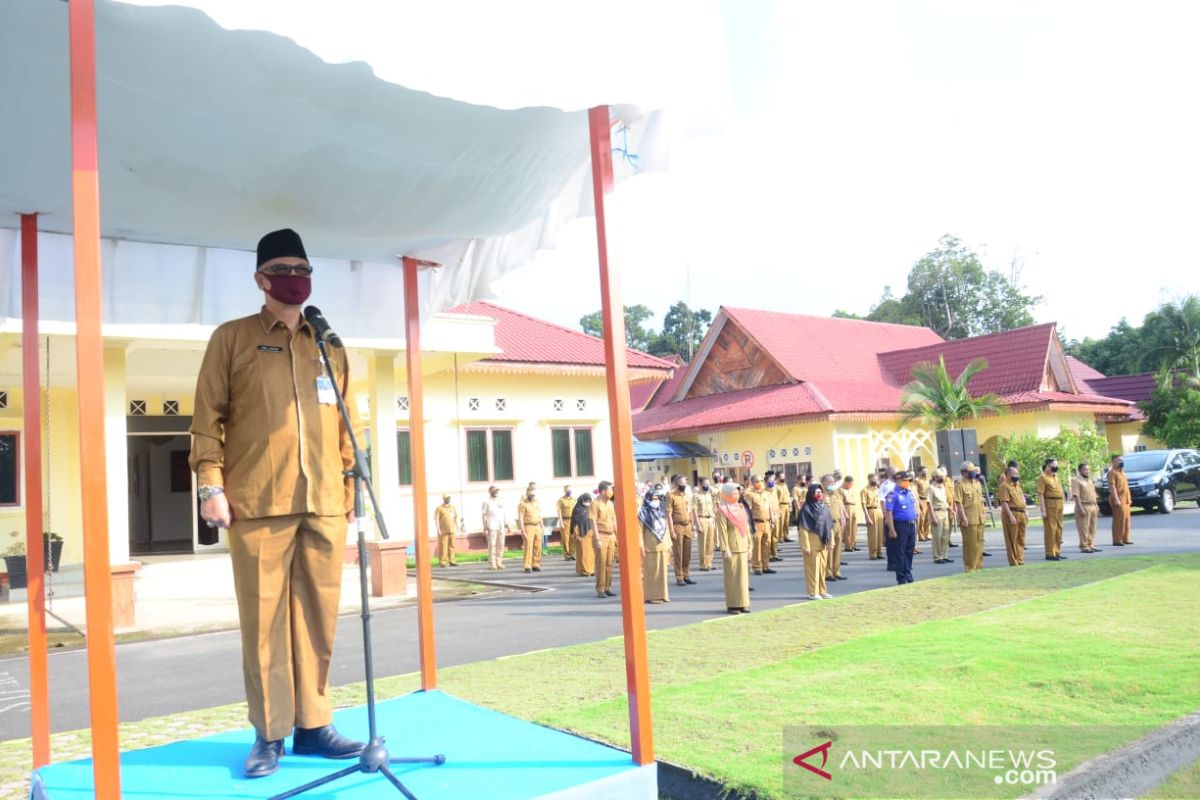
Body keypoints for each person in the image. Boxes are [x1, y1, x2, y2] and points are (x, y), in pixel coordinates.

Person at [191, 228, 363, 778]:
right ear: (262, 278)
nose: (296, 278)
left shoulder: (329, 344)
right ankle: (270, 733)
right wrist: (210, 485)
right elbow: (205, 420)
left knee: (318, 620)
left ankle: (314, 726)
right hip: (257, 502)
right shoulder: (233, 339)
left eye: (303, 268)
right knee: (264, 621)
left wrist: (350, 488)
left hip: (324, 503)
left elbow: (345, 424)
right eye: (285, 268)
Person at [714, 482, 752, 613]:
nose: (737, 495)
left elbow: (746, 528)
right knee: (732, 577)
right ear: (727, 494)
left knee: (743, 578)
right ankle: (732, 605)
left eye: (738, 492)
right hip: (731, 547)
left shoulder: (741, 507)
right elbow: (722, 532)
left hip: (742, 546)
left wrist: (750, 546)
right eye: (734, 492)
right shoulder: (723, 511)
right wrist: (725, 549)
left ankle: (743, 603)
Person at [798, 481, 834, 600]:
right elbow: (803, 529)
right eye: (816, 492)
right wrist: (805, 545)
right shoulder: (806, 509)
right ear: (811, 493)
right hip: (812, 544)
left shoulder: (824, 507)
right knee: (812, 569)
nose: (819, 494)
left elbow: (829, 525)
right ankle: (813, 592)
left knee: (822, 569)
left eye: (820, 492)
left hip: (823, 542)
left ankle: (822, 590)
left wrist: (831, 541)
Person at [883, 470, 918, 584]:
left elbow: (912, 507)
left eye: (908, 481)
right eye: (906, 480)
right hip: (900, 526)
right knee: (900, 552)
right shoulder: (892, 494)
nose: (908, 483)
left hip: (911, 524)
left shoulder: (908, 492)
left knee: (909, 551)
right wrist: (892, 529)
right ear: (898, 480)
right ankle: (901, 577)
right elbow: (888, 513)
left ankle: (908, 573)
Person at [639, 486, 671, 604]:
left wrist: (669, 545)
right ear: (648, 499)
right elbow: (639, 531)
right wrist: (641, 546)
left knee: (662, 573)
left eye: (657, 498)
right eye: (653, 498)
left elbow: (665, 529)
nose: (655, 500)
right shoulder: (642, 514)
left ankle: (663, 595)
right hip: (649, 547)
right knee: (651, 573)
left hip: (662, 545)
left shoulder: (661, 512)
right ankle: (651, 596)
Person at [954, 462, 987, 572]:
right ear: (964, 472)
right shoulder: (960, 484)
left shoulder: (977, 483)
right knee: (970, 545)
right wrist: (963, 518)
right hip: (969, 519)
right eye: (970, 471)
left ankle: (978, 566)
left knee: (979, 543)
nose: (973, 472)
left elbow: (981, 500)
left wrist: (984, 513)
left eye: (973, 470)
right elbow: (959, 503)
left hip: (980, 517)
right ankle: (970, 567)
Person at [1036, 458, 1067, 561]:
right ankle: (1050, 553)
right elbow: (1040, 494)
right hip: (1050, 504)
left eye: (1056, 465)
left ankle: (1057, 552)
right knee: (1051, 529)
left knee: (1059, 529)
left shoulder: (1055, 477)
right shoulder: (1043, 477)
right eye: (1054, 465)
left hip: (1059, 504)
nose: (1055, 467)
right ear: (1048, 466)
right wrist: (1043, 510)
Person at [667, 475, 696, 586]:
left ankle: (686, 575)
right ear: (676, 484)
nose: (683, 485)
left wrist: (693, 525)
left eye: (685, 483)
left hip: (687, 526)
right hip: (677, 526)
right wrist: (671, 530)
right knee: (678, 553)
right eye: (681, 483)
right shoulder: (671, 496)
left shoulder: (687, 496)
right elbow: (668, 513)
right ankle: (679, 576)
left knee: (687, 553)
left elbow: (690, 511)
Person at [591, 481, 618, 598]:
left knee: (609, 563)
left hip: (611, 535)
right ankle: (600, 588)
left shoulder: (610, 504)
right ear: (603, 491)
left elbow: (614, 520)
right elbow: (592, 521)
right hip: (601, 536)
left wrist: (617, 535)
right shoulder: (595, 503)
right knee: (601, 563)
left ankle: (607, 587)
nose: (612, 491)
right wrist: (597, 539)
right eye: (610, 489)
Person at [744, 475, 775, 576]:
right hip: (756, 522)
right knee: (756, 545)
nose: (760, 483)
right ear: (752, 483)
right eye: (757, 481)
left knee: (766, 545)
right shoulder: (750, 494)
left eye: (761, 481)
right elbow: (748, 510)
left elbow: (770, 507)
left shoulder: (766, 493)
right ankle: (757, 566)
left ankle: (766, 566)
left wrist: (772, 520)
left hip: (766, 522)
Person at [996, 465, 1026, 566]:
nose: (1017, 476)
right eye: (1015, 474)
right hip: (1012, 513)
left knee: (1021, 538)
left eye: (1017, 474)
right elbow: (1004, 503)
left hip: (1021, 513)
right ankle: (1014, 561)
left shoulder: (1017, 485)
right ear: (1008, 475)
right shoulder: (1004, 486)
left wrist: (1025, 512)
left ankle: (1020, 559)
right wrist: (1011, 517)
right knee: (1012, 539)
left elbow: (1021, 500)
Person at [1071, 464, 1102, 553]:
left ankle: (1090, 544)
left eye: (1088, 469)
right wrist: (1080, 508)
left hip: (1092, 505)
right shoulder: (1076, 481)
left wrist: (1096, 505)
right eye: (1085, 470)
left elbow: (1094, 494)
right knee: (1083, 527)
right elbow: (1076, 495)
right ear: (1080, 470)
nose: (1087, 471)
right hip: (1083, 505)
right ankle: (1084, 545)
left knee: (1092, 527)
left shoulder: (1090, 480)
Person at [824, 474, 847, 581]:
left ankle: (836, 571)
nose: (832, 484)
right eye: (829, 482)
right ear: (824, 483)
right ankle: (828, 573)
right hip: (828, 525)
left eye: (833, 481)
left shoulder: (836, 494)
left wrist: (843, 518)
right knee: (829, 549)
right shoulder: (822, 495)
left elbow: (841, 506)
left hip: (838, 523)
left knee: (838, 549)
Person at [929, 468, 953, 564]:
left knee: (945, 535)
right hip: (937, 513)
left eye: (943, 476)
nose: (942, 478)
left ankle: (944, 555)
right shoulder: (931, 488)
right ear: (935, 477)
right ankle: (937, 557)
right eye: (940, 477)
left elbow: (944, 501)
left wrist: (950, 509)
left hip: (945, 512)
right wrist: (933, 516)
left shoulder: (942, 487)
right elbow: (929, 503)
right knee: (937, 536)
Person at [1108, 454, 1133, 546]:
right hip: (1118, 499)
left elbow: (1126, 486)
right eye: (1119, 461)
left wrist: (1129, 498)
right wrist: (1116, 499)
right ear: (1113, 462)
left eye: (1122, 460)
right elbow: (1112, 486)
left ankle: (1125, 538)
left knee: (1126, 519)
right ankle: (1117, 540)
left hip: (1125, 499)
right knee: (1119, 520)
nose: (1121, 462)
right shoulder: (1112, 472)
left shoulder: (1122, 472)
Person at [482, 485, 509, 570]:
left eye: (497, 491)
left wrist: (506, 524)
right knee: (492, 545)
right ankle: (492, 563)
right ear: (490, 492)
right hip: (492, 526)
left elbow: (504, 514)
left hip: (500, 525)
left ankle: (499, 562)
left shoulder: (501, 501)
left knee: (501, 544)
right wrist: (485, 527)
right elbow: (484, 515)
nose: (496, 492)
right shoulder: (486, 502)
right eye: (494, 491)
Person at [693, 477, 717, 571]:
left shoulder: (709, 495)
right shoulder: (696, 495)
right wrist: (697, 524)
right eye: (705, 484)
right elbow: (694, 510)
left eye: (708, 483)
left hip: (710, 519)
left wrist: (713, 519)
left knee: (710, 543)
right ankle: (703, 564)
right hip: (701, 519)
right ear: (700, 484)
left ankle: (709, 562)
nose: (707, 485)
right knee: (702, 543)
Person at [518, 484, 543, 573]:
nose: (532, 497)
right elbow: (520, 517)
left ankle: (536, 564)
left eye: (533, 495)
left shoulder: (537, 502)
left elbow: (539, 514)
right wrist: (522, 529)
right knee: (528, 546)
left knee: (538, 546)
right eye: (530, 495)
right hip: (528, 526)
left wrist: (542, 525)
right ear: (527, 493)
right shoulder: (523, 504)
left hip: (537, 526)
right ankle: (527, 565)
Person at [571, 493, 597, 576]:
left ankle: (591, 569)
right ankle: (584, 570)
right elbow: (575, 524)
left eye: (589, 501)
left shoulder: (589, 509)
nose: (588, 502)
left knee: (591, 554)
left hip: (590, 534)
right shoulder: (577, 510)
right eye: (586, 501)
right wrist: (577, 535)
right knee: (583, 554)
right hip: (581, 535)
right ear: (582, 500)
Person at [861, 474, 883, 560]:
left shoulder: (877, 489)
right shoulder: (864, 490)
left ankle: (879, 552)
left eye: (877, 479)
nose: (876, 480)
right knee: (872, 534)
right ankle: (872, 553)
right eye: (875, 479)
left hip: (878, 510)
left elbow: (880, 501)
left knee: (880, 533)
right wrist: (867, 517)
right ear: (869, 479)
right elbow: (864, 505)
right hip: (870, 511)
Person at [434, 494, 459, 567]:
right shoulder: (439, 508)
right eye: (447, 498)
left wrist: (457, 526)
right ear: (444, 499)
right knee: (443, 546)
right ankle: (443, 562)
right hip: (443, 530)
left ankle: (452, 561)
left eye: (449, 498)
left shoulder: (453, 507)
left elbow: (455, 518)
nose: (448, 499)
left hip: (452, 529)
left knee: (452, 546)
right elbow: (437, 519)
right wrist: (438, 529)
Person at [556, 485, 576, 561]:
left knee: (573, 537)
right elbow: (559, 511)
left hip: (573, 520)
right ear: (564, 491)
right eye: (567, 490)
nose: (569, 492)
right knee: (565, 538)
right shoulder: (561, 500)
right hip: (565, 520)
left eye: (570, 490)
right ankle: (567, 554)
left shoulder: (574, 499)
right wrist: (561, 522)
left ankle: (573, 553)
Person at [841, 476, 859, 552]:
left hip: (853, 506)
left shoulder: (852, 489)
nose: (851, 485)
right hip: (846, 506)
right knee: (848, 527)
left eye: (852, 484)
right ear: (846, 482)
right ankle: (848, 545)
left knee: (854, 527)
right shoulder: (841, 490)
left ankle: (853, 544)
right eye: (850, 484)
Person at [915, 466, 932, 549]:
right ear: (920, 472)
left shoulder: (927, 481)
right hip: (921, 500)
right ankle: (921, 536)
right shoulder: (917, 481)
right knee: (921, 519)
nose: (925, 473)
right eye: (924, 471)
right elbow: (916, 492)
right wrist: (919, 502)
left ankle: (926, 534)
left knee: (927, 519)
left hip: (928, 500)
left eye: (926, 471)